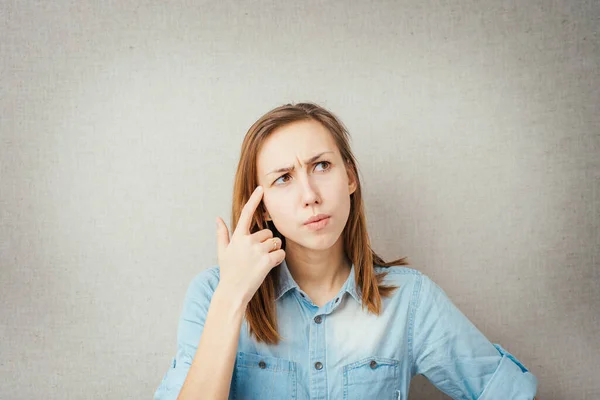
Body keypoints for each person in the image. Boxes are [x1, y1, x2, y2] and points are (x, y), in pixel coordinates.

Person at [153, 103, 539, 399]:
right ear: (263, 206)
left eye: (321, 166)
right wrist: (232, 297)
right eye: (283, 178)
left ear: (350, 177)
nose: (310, 196)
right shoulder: (211, 295)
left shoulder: (411, 300)